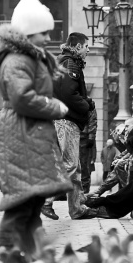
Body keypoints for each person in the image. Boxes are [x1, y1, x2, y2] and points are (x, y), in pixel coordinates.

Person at [0, 0, 73, 258]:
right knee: (23, 202)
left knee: (31, 202)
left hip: (29, 132)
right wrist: (54, 107)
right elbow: (22, 98)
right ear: (28, 32)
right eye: (43, 32)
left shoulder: (29, 58)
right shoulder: (17, 60)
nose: (49, 38)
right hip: (22, 132)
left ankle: (36, 259)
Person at [41, 32, 97, 220]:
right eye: (86, 46)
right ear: (78, 46)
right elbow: (68, 94)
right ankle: (46, 202)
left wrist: (84, 100)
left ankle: (77, 208)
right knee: (69, 166)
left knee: (74, 166)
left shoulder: (62, 61)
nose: (88, 49)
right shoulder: (70, 63)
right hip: (67, 120)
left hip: (60, 119)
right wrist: (86, 105)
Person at [80, 105, 98, 193]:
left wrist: (91, 137)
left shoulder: (88, 103)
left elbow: (92, 120)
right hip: (69, 135)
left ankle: (84, 191)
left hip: (82, 137)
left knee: (83, 166)